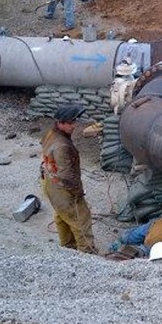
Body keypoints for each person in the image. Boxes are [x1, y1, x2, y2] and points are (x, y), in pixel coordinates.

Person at [40, 104, 97, 254]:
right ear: (60, 123)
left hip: (50, 183)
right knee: (81, 220)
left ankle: (68, 248)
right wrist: (77, 193)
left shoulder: (51, 134)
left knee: (62, 216)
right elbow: (67, 176)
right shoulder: (63, 146)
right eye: (70, 123)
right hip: (63, 189)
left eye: (74, 121)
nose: (74, 126)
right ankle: (87, 254)